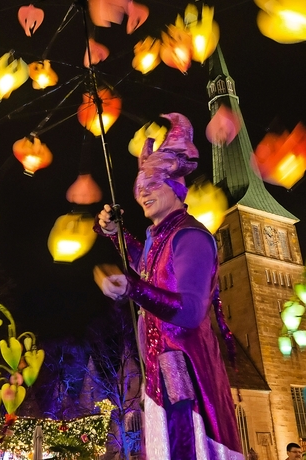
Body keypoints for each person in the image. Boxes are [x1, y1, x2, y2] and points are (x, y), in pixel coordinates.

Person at [95, 113, 243, 459]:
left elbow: (190, 312)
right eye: (139, 188)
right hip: (163, 381)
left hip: (187, 384)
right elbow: (149, 268)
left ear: (176, 186)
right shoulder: (160, 237)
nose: (143, 193)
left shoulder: (190, 236)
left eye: (152, 185)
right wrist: (115, 235)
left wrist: (133, 287)